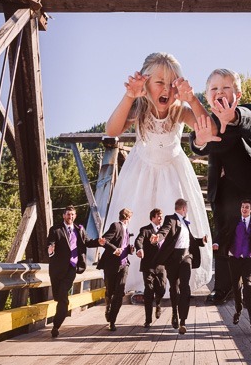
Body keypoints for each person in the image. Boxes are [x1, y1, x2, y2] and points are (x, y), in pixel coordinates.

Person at [104, 52, 212, 294]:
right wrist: (129, 95)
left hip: (174, 173)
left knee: (175, 229)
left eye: (172, 84)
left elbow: (210, 128)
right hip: (141, 174)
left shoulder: (180, 110)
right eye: (159, 82)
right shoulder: (139, 107)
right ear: (146, 84)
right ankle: (145, 284)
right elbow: (112, 130)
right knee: (142, 223)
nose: (166, 89)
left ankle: (173, 278)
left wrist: (192, 99)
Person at [189, 68, 251, 305]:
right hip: (221, 191)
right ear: (207, 96)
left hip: (248, 188)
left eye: (226, 88)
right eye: (214, 89)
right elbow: (197, 143)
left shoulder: (244, 113)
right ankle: (223, 288)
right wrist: (200, 140)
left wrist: (231, 118)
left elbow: (247, 120)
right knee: (222, 240)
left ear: (238, 94)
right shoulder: (207, 121)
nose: (220, 92)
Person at [47, 205, 106, 338]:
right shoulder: (55, 229)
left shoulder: (79, 229)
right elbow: (50, 243)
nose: (70, 217)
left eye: (72, 214)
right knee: (59, 297)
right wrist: (50, 249)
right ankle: (59, 318)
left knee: (62, 297)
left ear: (75, 216)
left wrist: (98, 242)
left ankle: (56, 326)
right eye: (68, 214)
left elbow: (87, 242)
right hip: (56, 269)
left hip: (71, 268)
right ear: (64, 215)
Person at [151, 198, 208, 335]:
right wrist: (157, 237)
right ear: (183, 209)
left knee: (185, 287)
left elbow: (189, 239)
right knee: (174, 288)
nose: (186, 211)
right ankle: (175, 312)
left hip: (186, 257)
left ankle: (183, 320)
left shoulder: (185, 223)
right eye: (186, 209)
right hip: (173, 259)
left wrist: (201, 241)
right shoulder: (171, 219)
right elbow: (164, 231)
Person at [215, 199, 251, 335]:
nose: (244, 209)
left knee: (249, 287)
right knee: (236, 287)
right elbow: (222, 233)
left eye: (247, 207)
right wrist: (216, 242)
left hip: (248, 260)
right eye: (242, 207)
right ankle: (238, 309)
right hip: (234, 259)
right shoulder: (233, 220)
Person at [97, 207, 135, 331]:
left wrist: (130, 249)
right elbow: (104, 240)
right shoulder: (116, 226)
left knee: (119, 293)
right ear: (127, 218)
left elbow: (124, 245)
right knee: (111, 291)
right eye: (130, 218)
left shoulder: (127, 230)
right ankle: (108, 303)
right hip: (111, 265)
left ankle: (112, 321)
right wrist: (115, 249)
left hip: (124, 264)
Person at [135, 208, 167, 328]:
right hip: (148, 266)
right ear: (153, 217)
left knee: (162, 289)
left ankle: (158, 303)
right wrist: (139, 249)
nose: (161, 218)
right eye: (159, 216)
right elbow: (139, 240)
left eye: (161, 216)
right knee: (149, 290)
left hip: (161, 266)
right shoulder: (145, 230)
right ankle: (148, 319)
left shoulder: (164, 231)